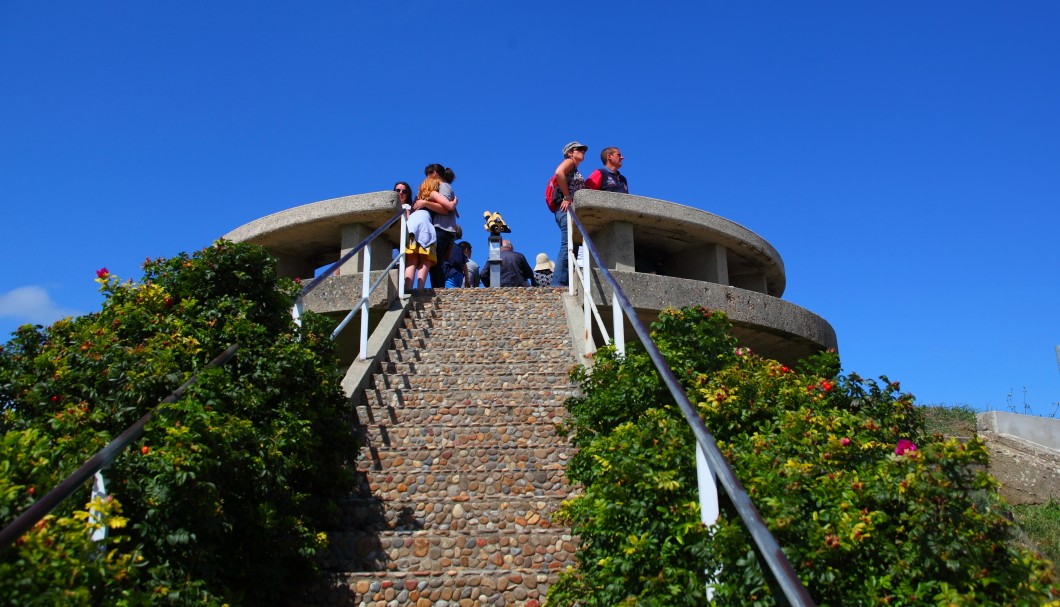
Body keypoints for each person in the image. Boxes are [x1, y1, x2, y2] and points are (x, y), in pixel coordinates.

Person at [551, 141, 587, 287]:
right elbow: (558, 172)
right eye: (579, 149)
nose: (583, 152)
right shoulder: (569, 162)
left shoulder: (575, 168)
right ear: (570, 152)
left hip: (567, 211)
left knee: (573, 245)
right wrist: (567, 196)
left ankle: (565, 282)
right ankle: (558, 284)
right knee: (568, 245)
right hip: (565, 209)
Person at [418, 163, 459, 288]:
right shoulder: (441, 187)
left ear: (434, 173)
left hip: (442, 228)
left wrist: (425, 203)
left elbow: (446, 208)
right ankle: (438, 288)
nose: (426, 178)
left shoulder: (443, 186)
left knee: (434, 261)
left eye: (428, 175)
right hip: (443, 229)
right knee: (435, 260)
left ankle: (438, 289)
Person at [403, 177, 439, 293]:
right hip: (424, 227)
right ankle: (420, 289)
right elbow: (446, 208)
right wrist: (454, 202)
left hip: (411, 227)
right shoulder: (433, 196)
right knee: (425, 260)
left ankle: (407, 289)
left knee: (411, 260)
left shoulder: (416, 200)